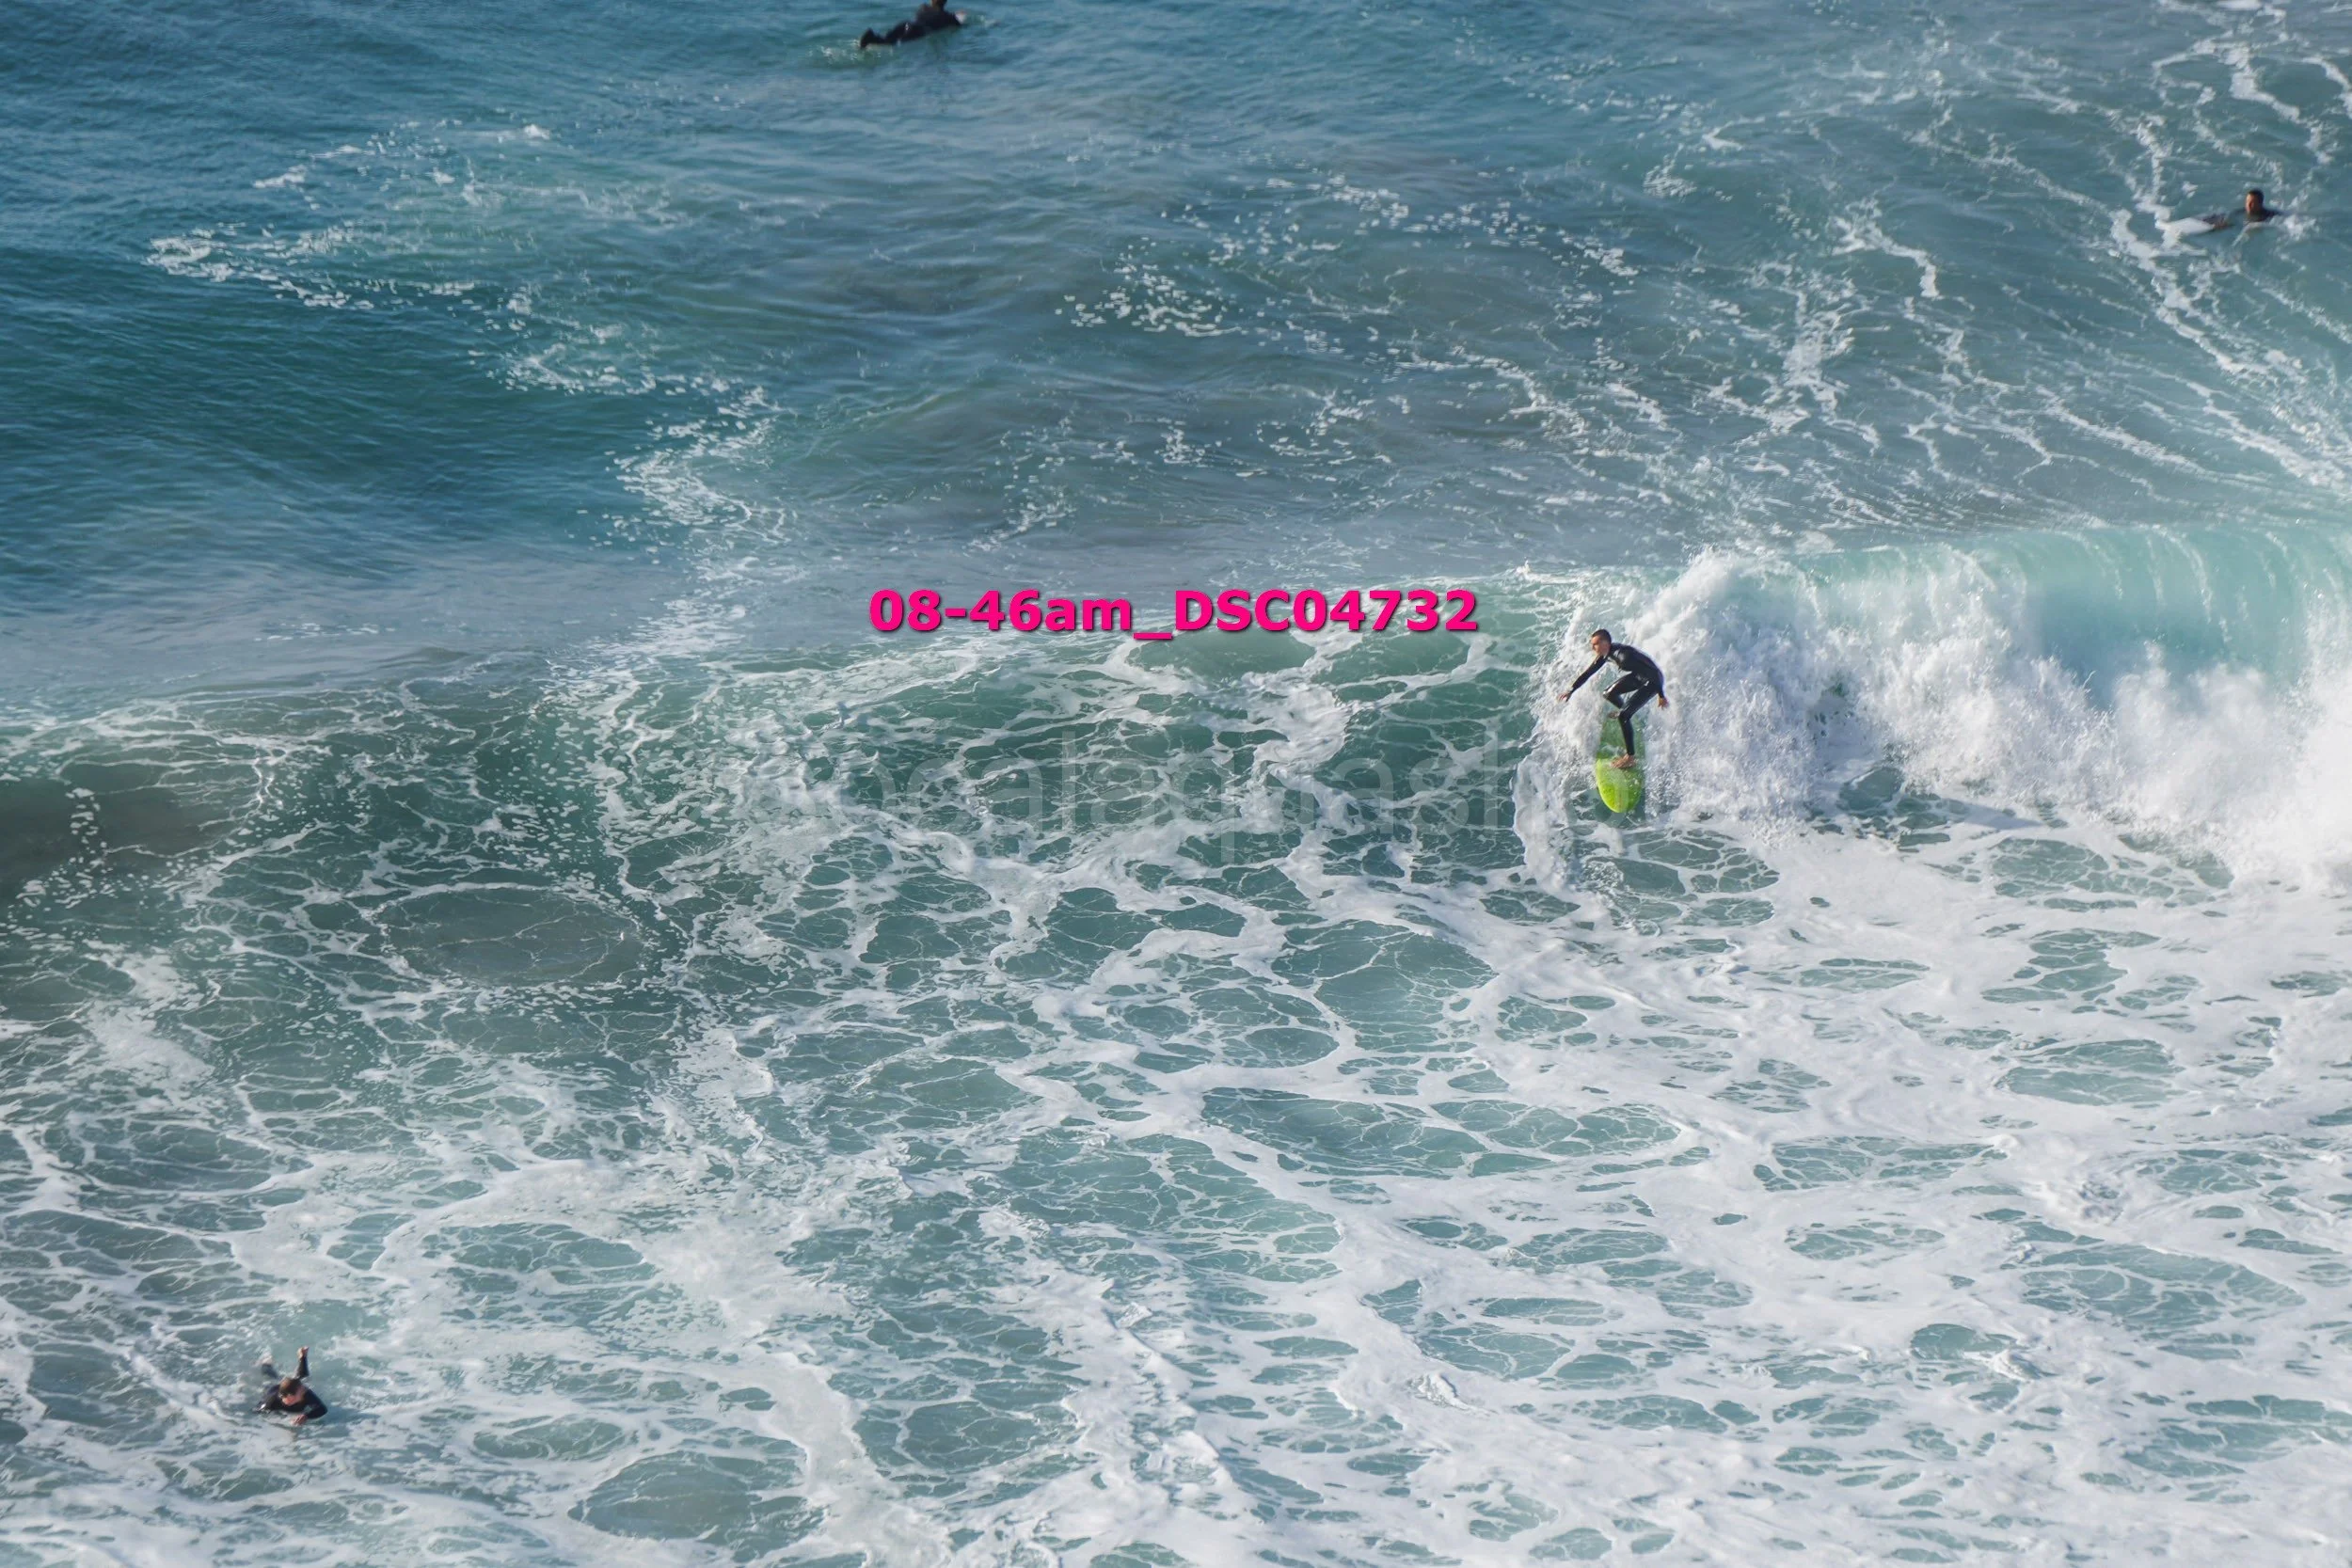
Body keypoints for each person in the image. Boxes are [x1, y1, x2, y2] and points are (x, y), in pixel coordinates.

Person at [1561, 628, 1668, 768]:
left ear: (1605, 643)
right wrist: (1571, 690)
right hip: (1639, 676)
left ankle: (1630, 757)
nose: (1592, 648)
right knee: (1608, 694)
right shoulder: (1605, 655)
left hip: (1653, 681)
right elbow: (1588, 673)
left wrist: (1661, 695)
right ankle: (1626, 712)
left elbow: (1653, 671)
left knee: (1623, 716)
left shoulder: (1624, 657)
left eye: (1595, 644)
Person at [257, 1347, 328, 1425]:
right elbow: (258, 1412)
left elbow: (322, 1409)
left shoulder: (305, 1393)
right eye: (301, 1391)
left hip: (289, 1387)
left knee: (302, 1379)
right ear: (287, 1397)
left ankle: (303, 1357)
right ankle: (266, 1363)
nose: (305, 1389)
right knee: (271, 1377)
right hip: (273, 1388)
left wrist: (306, 1416)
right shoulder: (272, 1401)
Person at [860, 0, 963, 47]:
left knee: (888, 37)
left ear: (931, 1)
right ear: (945, 2)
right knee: (894, 43)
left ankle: (871, 36)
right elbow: (958, 26)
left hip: (907, 24)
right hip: (918, 30)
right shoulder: (948, 17)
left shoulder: (923, 7)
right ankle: (871, 39)